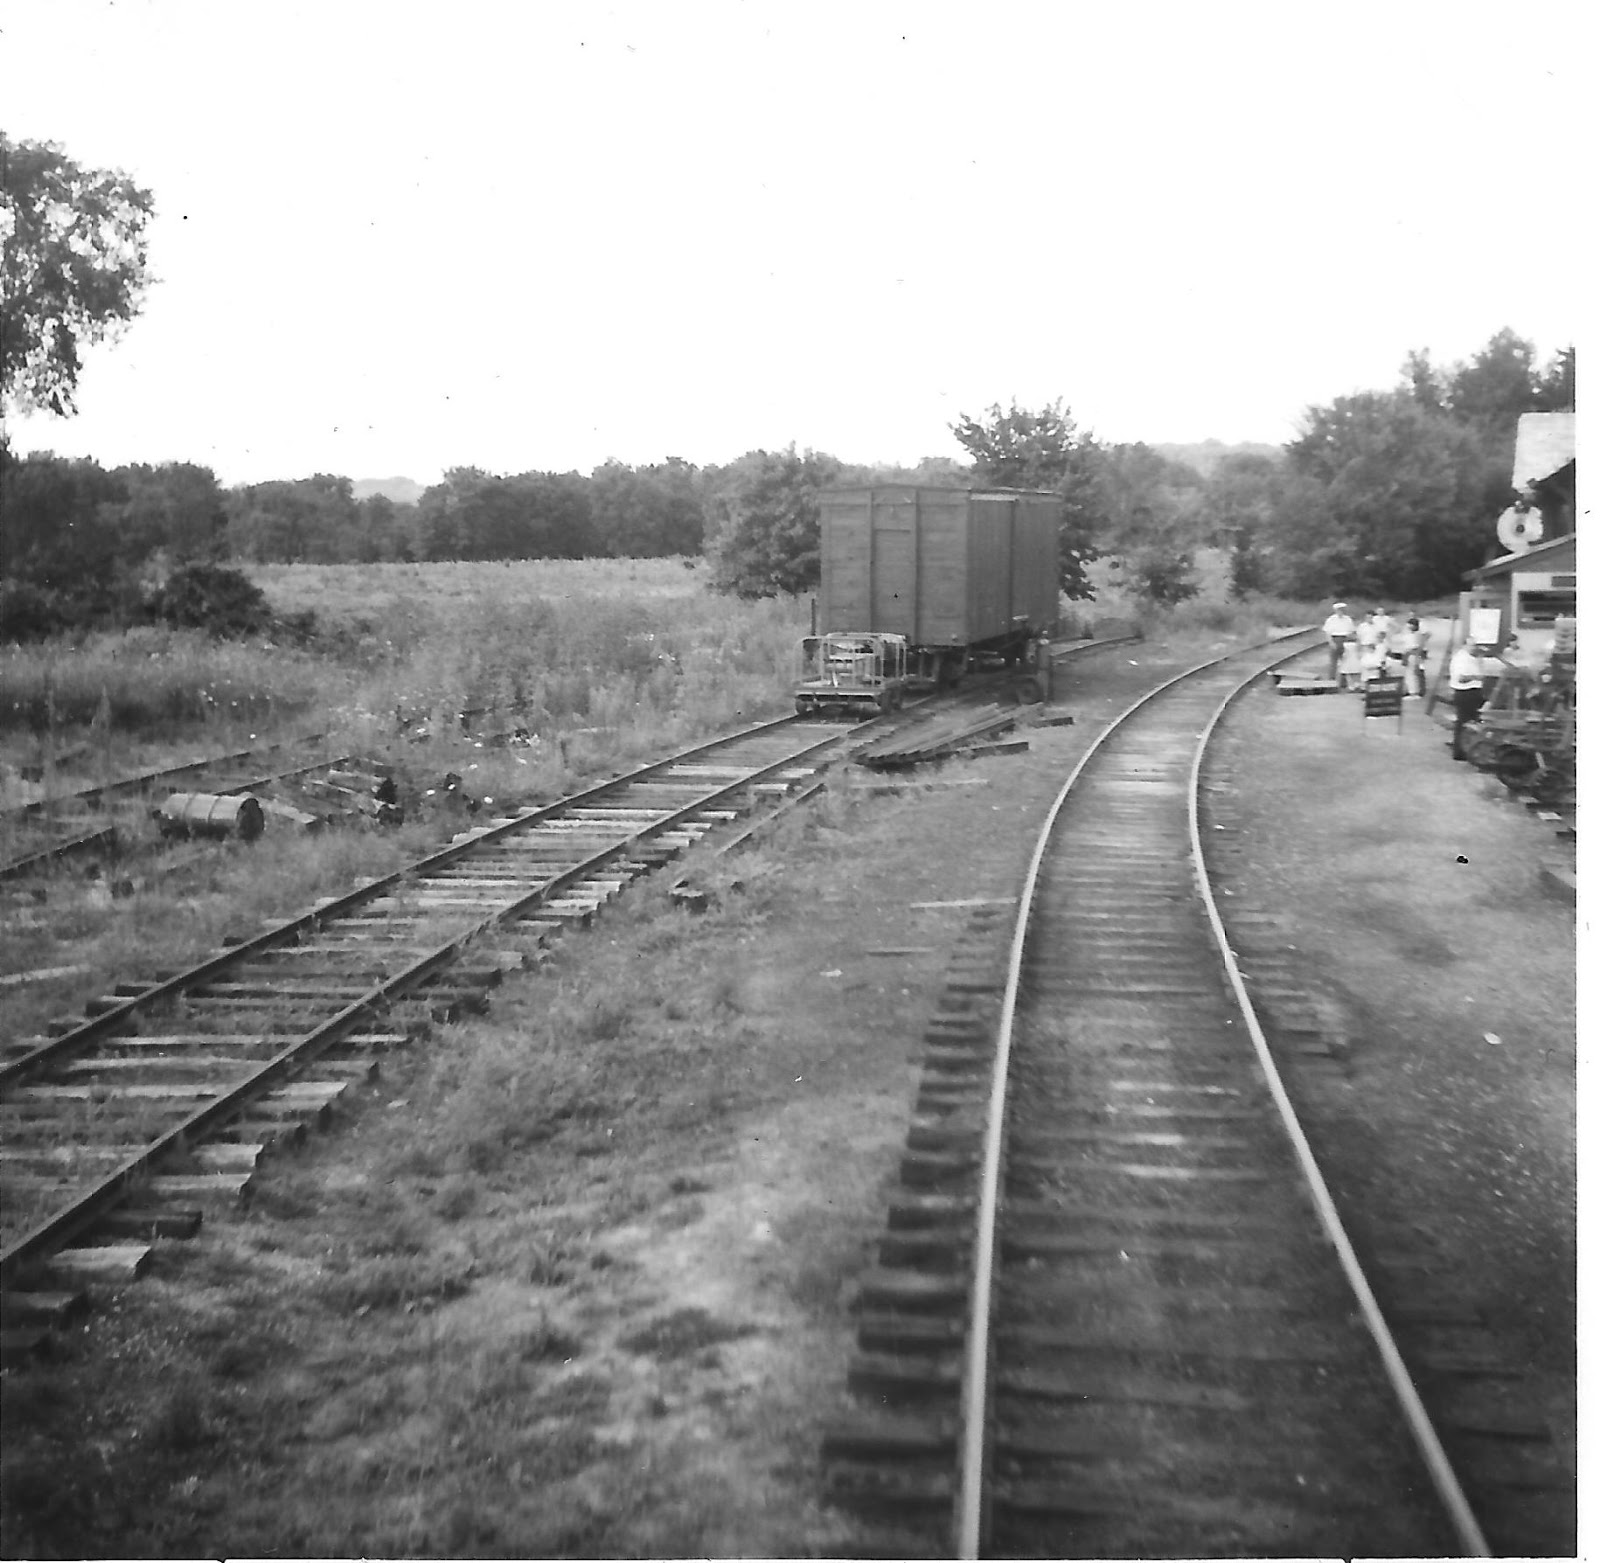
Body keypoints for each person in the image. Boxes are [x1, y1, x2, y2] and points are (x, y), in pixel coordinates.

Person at [1449, 641, 1488, 759]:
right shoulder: (1461, 659)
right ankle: (1460, 752)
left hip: (1473, 692)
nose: (1475, 648)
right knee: (1464, 723)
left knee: (1470, 722)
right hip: (1465, 692)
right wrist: (1476, 677)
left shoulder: (1471, 658)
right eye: (1473, 646)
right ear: (1465, 645)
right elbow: (1460, 678)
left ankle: (1467, 750)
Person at [1394, 615, 1430, 697]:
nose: (1408, 626)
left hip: (1413, 654)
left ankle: (1414, 691)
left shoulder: (1418, 634)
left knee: (1413, 673)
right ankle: (1410, 690)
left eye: (1410, 624)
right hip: (1408, 653)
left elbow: (1421, 642)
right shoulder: (1408, 634)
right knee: (1408, 673)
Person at [1322, 601, 1355, 681]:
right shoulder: (1331, 619)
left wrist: (1349, 641)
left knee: (1346, 662)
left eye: (1342, 610)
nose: (1341, 611)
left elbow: (1351, 631)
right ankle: (1331, 680)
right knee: (1333, 662)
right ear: (1335, 610)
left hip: (1345, 640)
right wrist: (1331, 642)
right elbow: (1327, 632)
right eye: (1339, 610)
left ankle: (1344, 681)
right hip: (1335, 639)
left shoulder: (1348, 619)